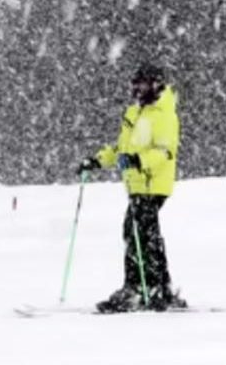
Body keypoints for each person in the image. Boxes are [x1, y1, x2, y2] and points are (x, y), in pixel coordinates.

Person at [78, 63, 186, 312]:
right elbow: (121, 148)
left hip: (152, 183)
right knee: (145, 233)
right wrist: (97, 160)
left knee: (136, 231)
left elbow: (165, 152)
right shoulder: (135, 113)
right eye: (135, 84)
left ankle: (137, 288)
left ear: (157, 85)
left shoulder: (164, 114)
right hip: (136, 184)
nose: (138, 89)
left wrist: (139, 161)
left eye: (143, 84)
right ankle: (159, 286)